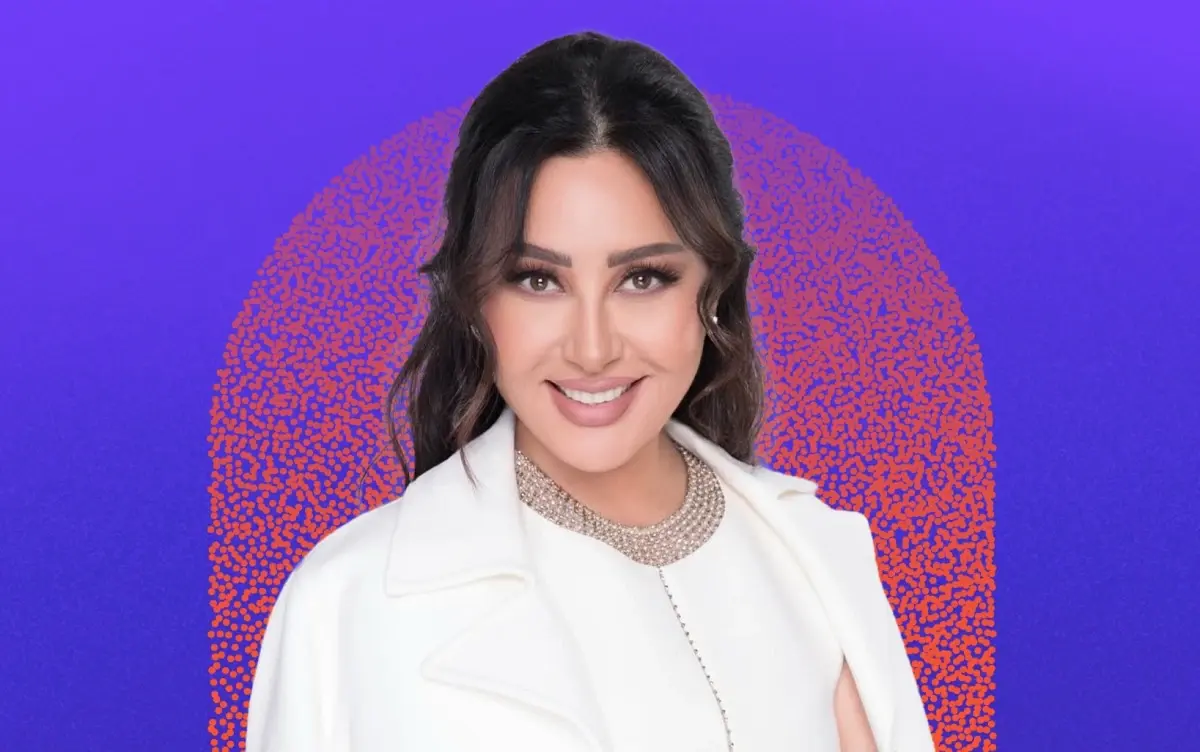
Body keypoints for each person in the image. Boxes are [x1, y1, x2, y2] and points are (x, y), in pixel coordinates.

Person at [245, 31, 934, 752]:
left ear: (712, 288)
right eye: (538, 280)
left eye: (643, 278)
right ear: (476, 298)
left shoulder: (817, 562)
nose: (593, 348)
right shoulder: (349, 601)